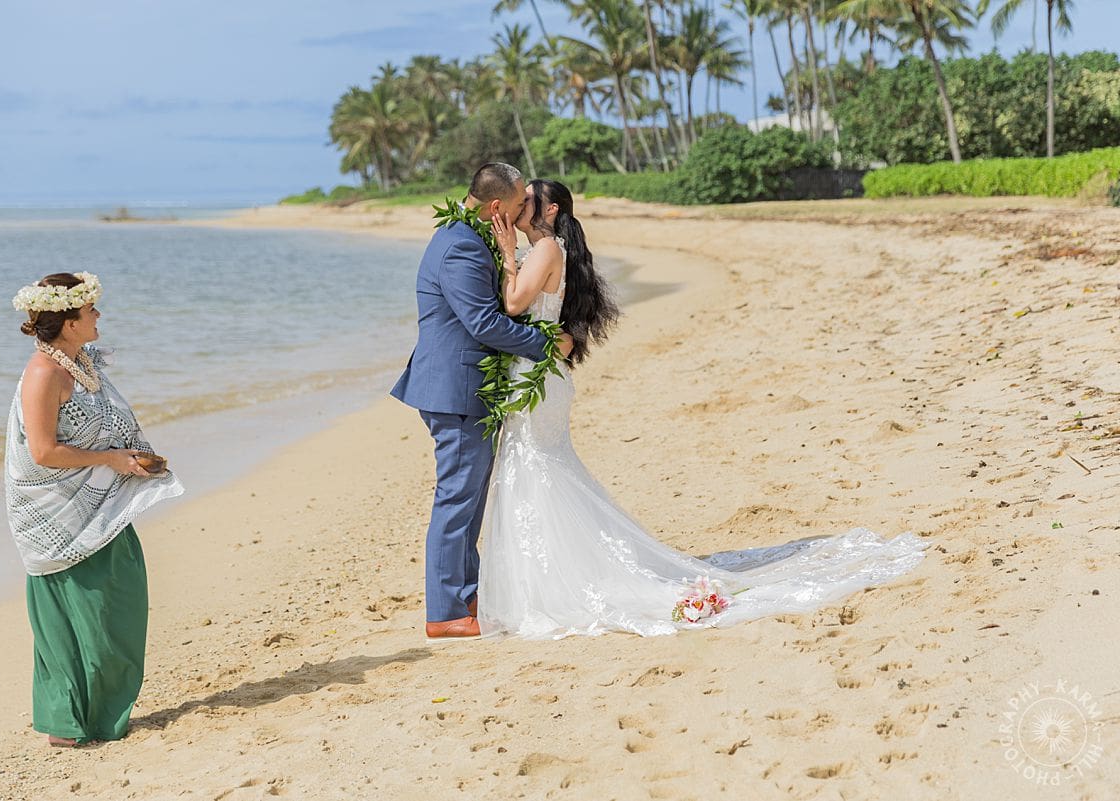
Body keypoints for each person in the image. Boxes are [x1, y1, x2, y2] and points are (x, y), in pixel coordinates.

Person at [476, 180, 928, 639]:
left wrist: (506, 253)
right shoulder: (546, 250)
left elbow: (513, 304)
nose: (520, 204)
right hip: (537, 376)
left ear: (549, 211)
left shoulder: (546, 249)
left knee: (536, 465)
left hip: (537, 380)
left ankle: (556, 582)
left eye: (528, 199)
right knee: (538, 466)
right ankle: (552, 576)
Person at [391, 163, 571, 641]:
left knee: (469, 498)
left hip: (466, 385)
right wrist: (547, 346)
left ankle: (465, 595)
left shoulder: (469, 237)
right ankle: (446, 611)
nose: (517, 216)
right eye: (516, 207)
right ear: (496, 206)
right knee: (456, 498)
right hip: (455, 386)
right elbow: (484, 324)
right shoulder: (462, 247)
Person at [5, 271, 183, 745]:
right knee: (86, 613)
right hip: (59, 513)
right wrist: (111, 459)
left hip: (99, 504)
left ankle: (100, 713)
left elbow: (97, 422)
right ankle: (69, 723)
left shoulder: (78, 361)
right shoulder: (43, 373)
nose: (99, 316)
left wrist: (128, 456)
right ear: (68, 323)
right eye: (90, 311)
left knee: (119, 606)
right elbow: (42, 452)